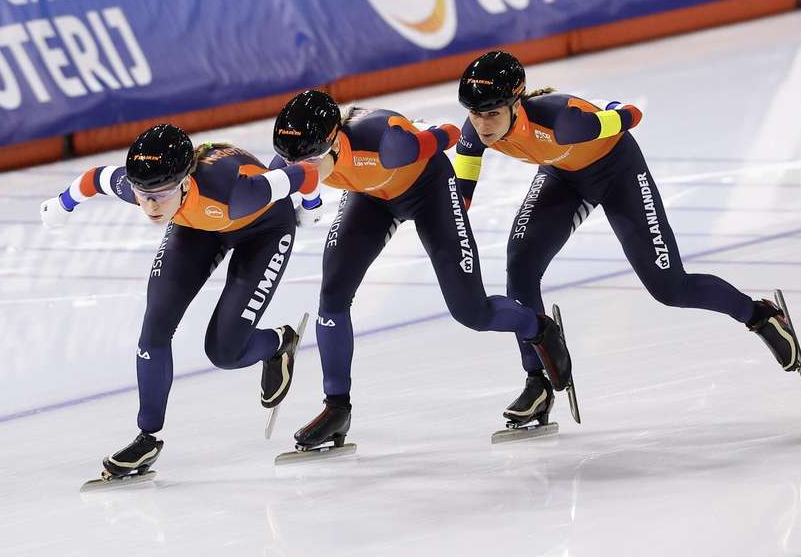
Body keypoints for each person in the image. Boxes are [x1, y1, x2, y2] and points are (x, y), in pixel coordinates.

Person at [453, 51, 801, 427]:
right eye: (475, 113)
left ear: (516, 103)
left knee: (670, 288)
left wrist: (608, 114)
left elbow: (632, 114)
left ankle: (762, 316)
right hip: (562, 176)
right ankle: (537, 382)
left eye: (492, 114)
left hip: (617, 171)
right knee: (520, 264)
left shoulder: (564, 120)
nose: (483, 124)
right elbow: (461, 195)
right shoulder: (473, 132)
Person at [270, 90, 575, 452]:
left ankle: (539, 329)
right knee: (332, 296)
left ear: (334, 139)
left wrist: (422, 137)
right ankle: (336, 407)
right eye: (292, 161)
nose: (300, 170)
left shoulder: (384, 138)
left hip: (428, 190)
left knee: (471, 311)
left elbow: (448, 132)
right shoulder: (291, 160)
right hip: (369, 199)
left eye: (309, 160)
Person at [39, 123, 321, 479]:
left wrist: (310, 208)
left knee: (225, 352)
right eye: (144, 195)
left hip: (262, 231)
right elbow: (94, 179)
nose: (151, 205)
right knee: (155, 327)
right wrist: (61, 205)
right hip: (194, 226)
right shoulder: (141, 184)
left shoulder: (239, 191)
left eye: (161, 194)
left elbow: (306, 172)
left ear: (186, 181)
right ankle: (147, 437)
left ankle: (278, 343)